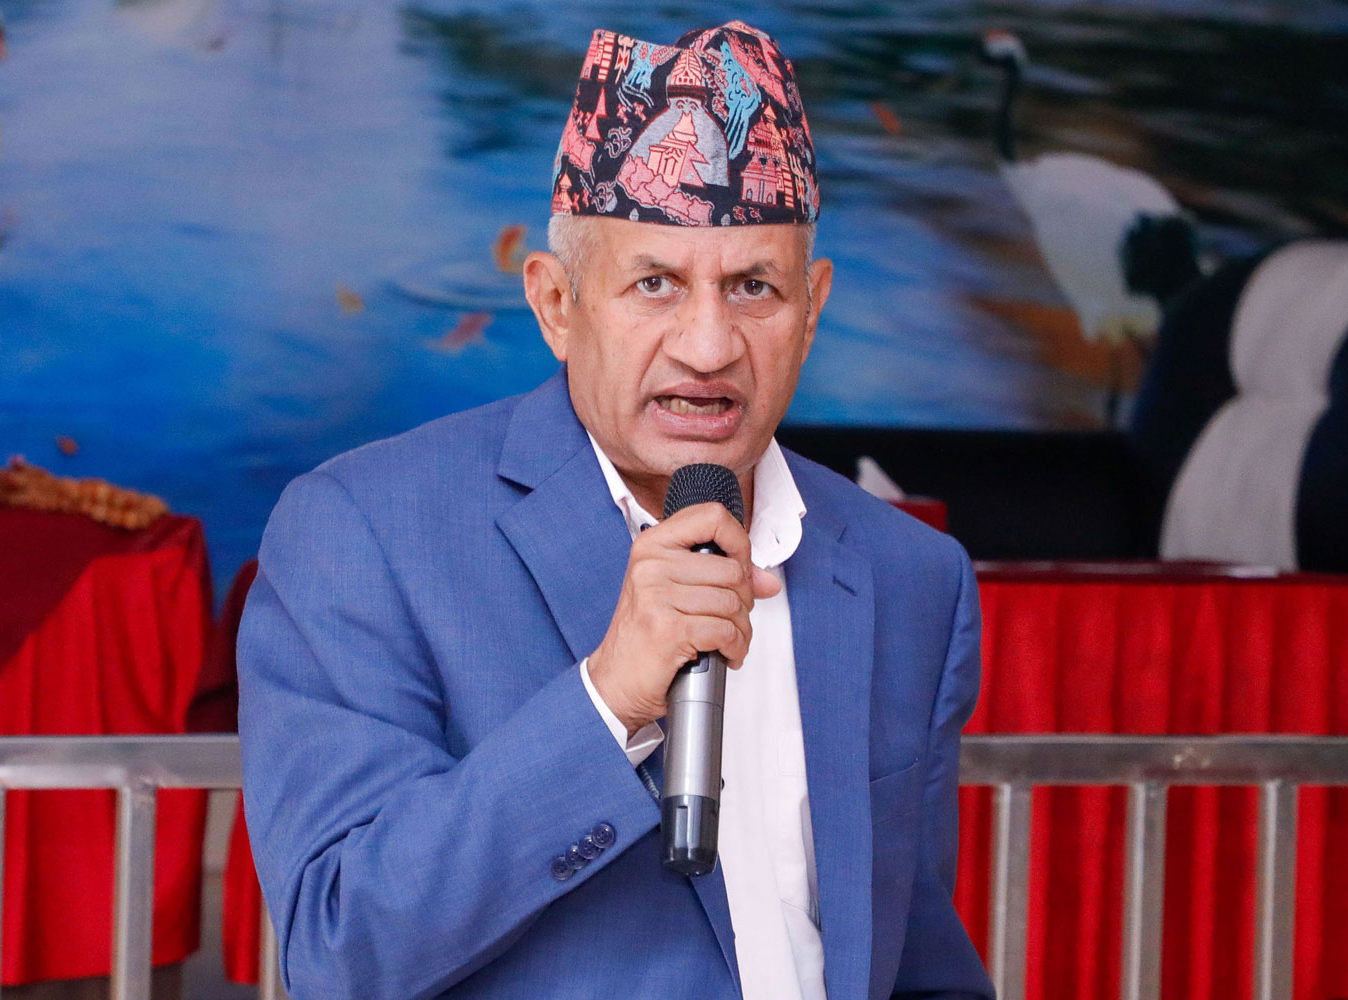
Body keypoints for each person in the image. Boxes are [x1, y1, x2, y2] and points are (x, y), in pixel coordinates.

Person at [238, 20, 991, 1000]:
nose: (709, 347)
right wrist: (608, 702)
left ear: (812, 309)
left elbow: (918, 962)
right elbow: (342, 949)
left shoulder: (908, 575)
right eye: (655, 284)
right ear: (556, 304)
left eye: (753, 287)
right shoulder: (365, 534)